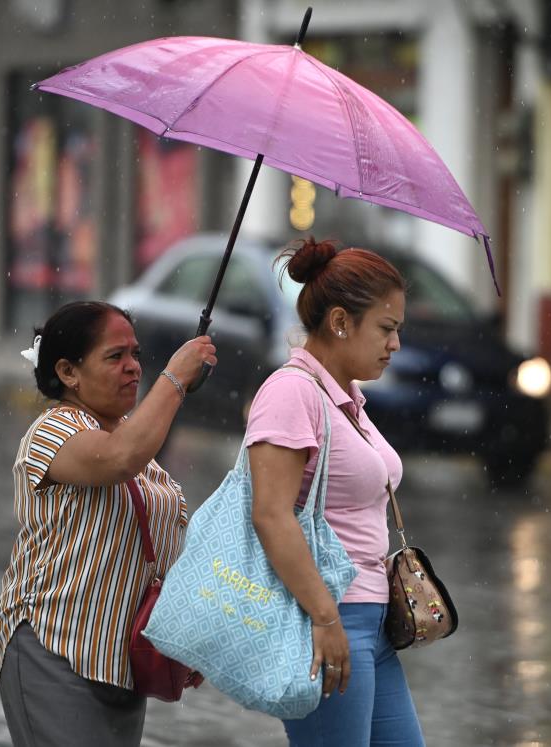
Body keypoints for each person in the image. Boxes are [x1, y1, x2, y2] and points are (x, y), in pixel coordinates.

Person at [0, 300, 216, 747]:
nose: (132, 368)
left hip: (120, 663)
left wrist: (182, 636)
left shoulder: (131, 432)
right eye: (115, 357)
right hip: (55, 651)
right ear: (68, 372)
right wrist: (174, 378)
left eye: (136, 355)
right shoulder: (53, 429)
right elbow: (118, 460)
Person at [245, 238, 426, 746]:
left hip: (371, 623)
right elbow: (270, 514)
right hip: (327, 621)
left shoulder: (346, 398)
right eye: (387, 330)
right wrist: (324, 618)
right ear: (341, 321)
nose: (395, 345)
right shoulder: (291, 392)